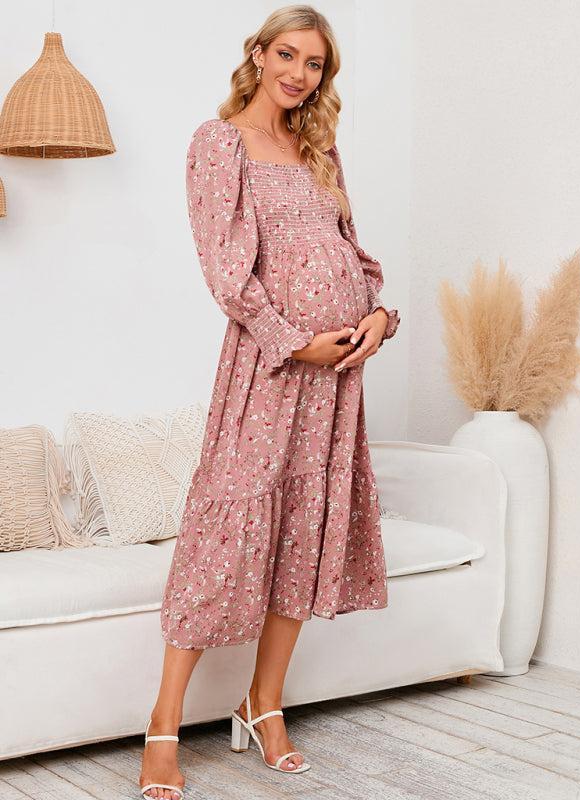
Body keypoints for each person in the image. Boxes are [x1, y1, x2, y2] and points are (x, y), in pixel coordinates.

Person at [139, 6, 399, 798]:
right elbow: (225, 271)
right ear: (257, 54)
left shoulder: (320, 148)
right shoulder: (219, 143)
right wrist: (293, 340)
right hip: (270, 368)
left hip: (338, 378)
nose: (298, 74)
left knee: (302, 530)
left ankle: (265, 705)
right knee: (225, 530)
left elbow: (354, 254)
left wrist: (379, 316)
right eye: (286, 55)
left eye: (314, 64)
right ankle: (163, 724)